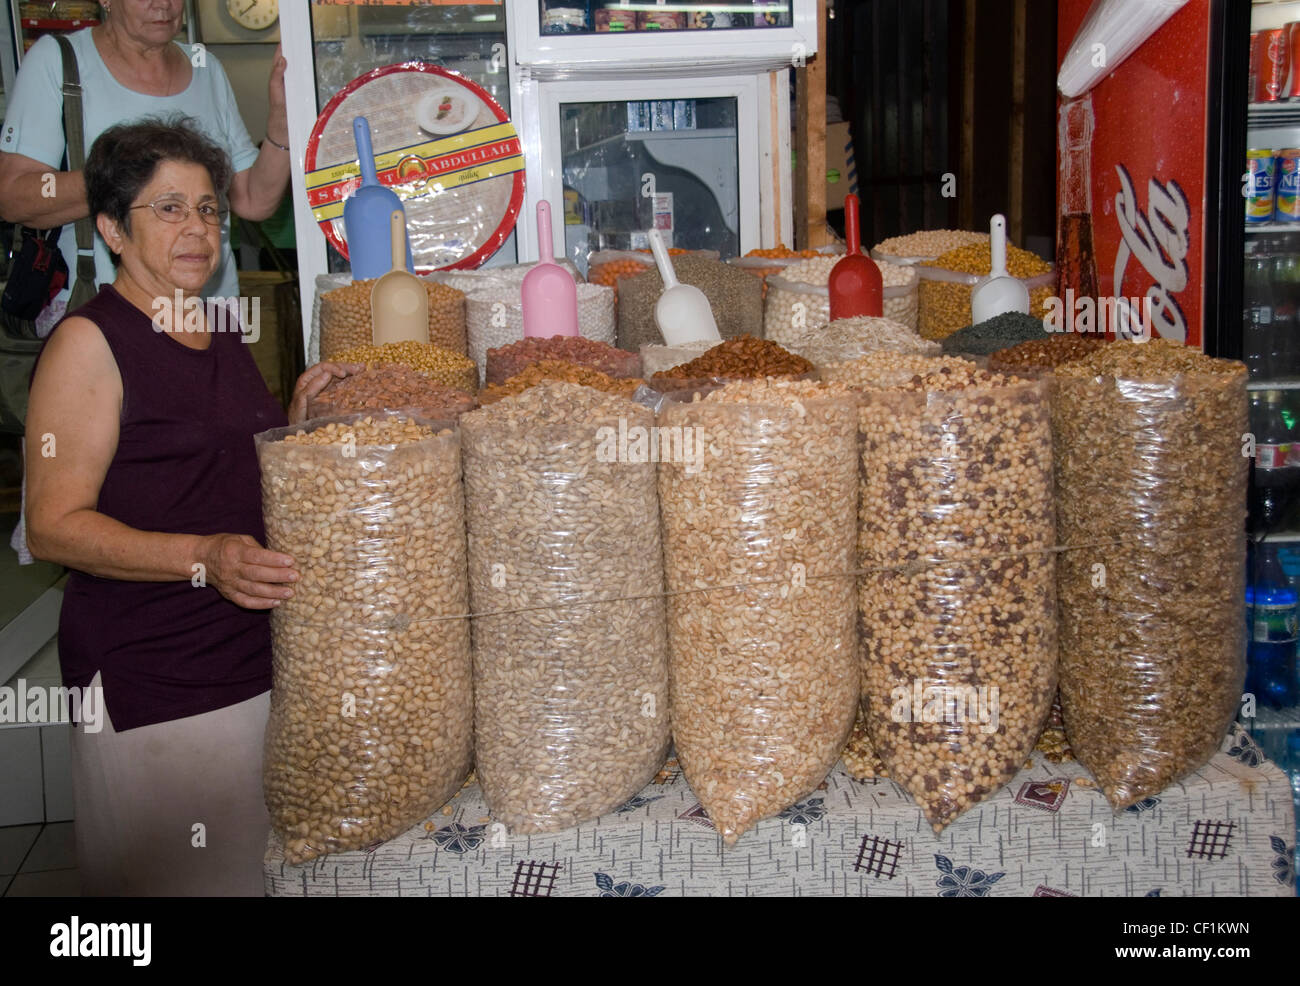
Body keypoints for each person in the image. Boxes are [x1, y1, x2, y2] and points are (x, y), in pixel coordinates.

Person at [23, 118, 350, 896]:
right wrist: (202, 557)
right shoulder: (90, 343)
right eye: (168, 209)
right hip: (156, 679)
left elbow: (215, 471)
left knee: (245, 874)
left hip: (247, 661)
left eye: (208, 208)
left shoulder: (210, 327)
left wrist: (294, 426)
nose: (197, 229)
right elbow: (52, 525)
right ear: (110, 227)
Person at [0, 0, 290, 322]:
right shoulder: (60, 60)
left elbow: (253, 200)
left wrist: (281, 122)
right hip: (109, 316)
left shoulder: (205, 66)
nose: (163, 4)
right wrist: (128, 178)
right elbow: (13, 195)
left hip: (210, 313)